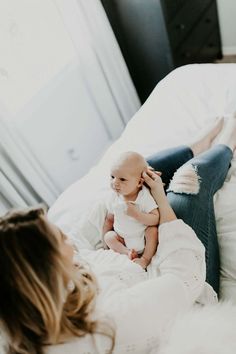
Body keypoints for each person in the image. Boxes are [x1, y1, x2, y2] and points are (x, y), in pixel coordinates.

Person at [0, 117, 235, 354]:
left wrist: (120, 201)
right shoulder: (108, 325)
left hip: (136, 264)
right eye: (61, 239)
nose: (68, 241)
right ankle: (227, 143)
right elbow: (184, 277)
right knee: (186, 182)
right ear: (44, 268)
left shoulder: (25, 309)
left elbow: (81, 235)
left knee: (133, 176)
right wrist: (160, 201)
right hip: (182, 283)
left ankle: (197, 145)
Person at [103, 151, 159, 269]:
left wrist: (137, 214)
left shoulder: (143, 197)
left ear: (139, 182)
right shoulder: (114, 197)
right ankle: (127, 253)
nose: (115, 183)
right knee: (108, 236)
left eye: (122, 179)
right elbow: (109, 220)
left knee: (152, 231)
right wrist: (105, 243)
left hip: (142, 236)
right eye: (112, 177)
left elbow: (155, 219)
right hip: (122, 239)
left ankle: (145, 259)